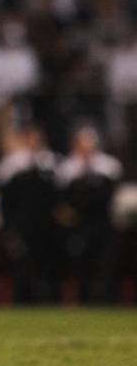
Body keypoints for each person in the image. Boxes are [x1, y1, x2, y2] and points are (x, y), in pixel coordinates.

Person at [0, 125, 61, 303]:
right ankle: (23, 300)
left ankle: (50, 299)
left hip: (47, 224)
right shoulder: (12, 166)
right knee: (23, 264)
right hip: (22, 224)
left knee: (47, 264)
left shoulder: (52, 162)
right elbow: (3, 198)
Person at [55, 126, 123, 303]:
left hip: (102, 223)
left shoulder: (108, 165)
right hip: (79, 225)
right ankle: (84, 299)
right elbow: (62, 203)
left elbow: (109, 194)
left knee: (105, 264)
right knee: (81, 265)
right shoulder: (66, 168)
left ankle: (107, 300)